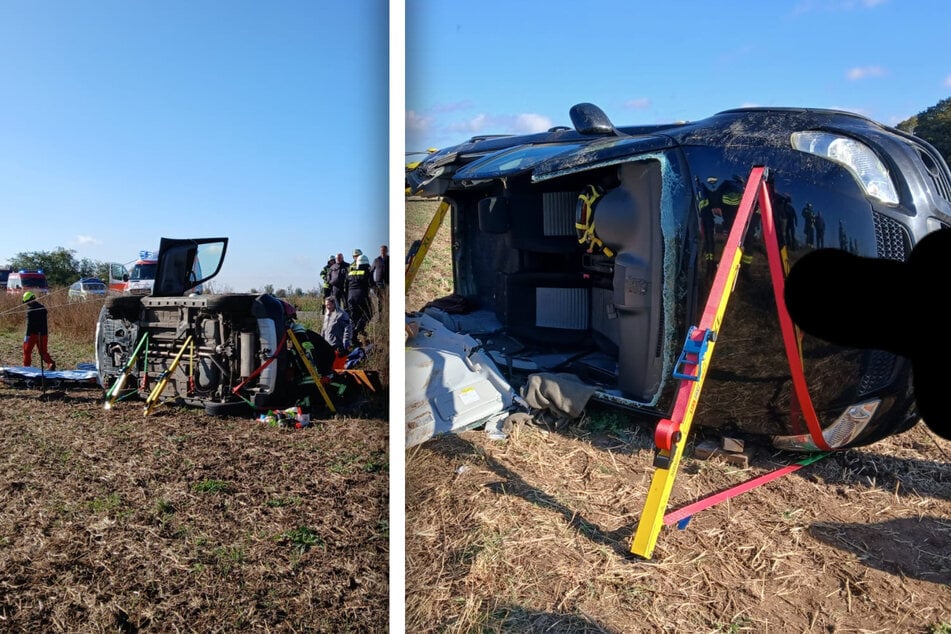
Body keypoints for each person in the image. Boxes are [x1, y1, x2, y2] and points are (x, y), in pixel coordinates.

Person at [22, 291, 56, 371]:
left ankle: (26, 368)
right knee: (43, 352)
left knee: (27, 351)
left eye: (26, 302)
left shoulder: (29, 311)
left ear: (29, 301)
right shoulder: (43, 308)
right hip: (43, 334)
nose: (26, 304)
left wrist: (27, 336)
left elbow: (29, 325)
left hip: (32, 334)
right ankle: (51, 364)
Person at [346, 250, 374, 344]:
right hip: (361, 297)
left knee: (355, 318)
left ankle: (353, 340)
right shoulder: (366, 272)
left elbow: (345, 286)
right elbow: (371, 284)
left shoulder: (350, 273)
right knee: (369, 312)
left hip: (350, 298)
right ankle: (359, 329)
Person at [370, 244, 389, 314]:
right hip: (379, 283)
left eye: (384, 250)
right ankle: (380, 317)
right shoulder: (376, 260)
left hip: (388, 283)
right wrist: (372, 283)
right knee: (380, 300)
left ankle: (387, 316)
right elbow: (371, 271)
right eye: (381, 250)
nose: (383, 252)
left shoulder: (390, 259)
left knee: (388, 300)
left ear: (387, 251)